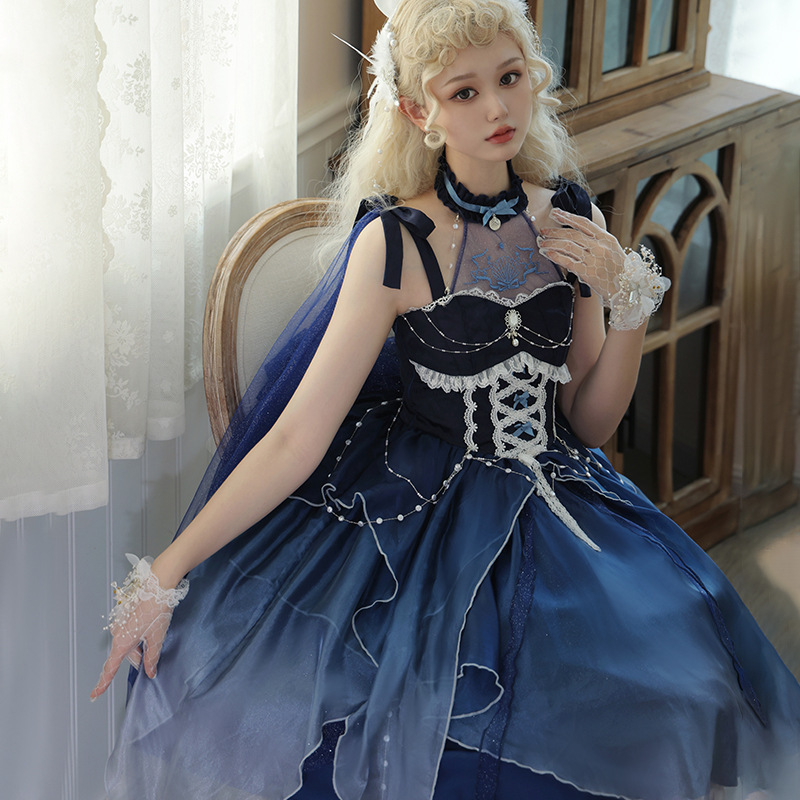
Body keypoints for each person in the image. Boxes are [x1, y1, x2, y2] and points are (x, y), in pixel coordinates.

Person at [91, 1, 800, 798]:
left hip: (560, 507)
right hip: (418, 520)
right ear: (416, 112)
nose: (497, 107)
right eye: (464, 91)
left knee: (677, 687)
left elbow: (589, 423)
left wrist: (629, 304)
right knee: (436, 731)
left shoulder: (570, 217)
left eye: (509, 78)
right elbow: (294, 440)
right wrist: (165, 572)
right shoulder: (394, 244)